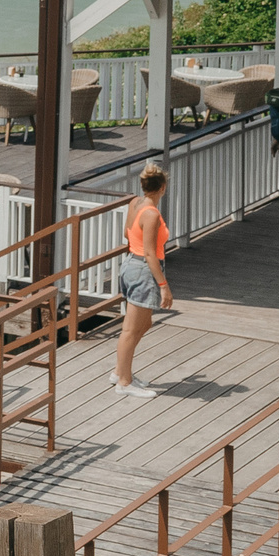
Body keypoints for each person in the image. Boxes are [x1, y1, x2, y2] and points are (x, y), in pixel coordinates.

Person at [114, 162, 173, 399]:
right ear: (163, 188)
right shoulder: (151, 215)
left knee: (144, 323)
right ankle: (124, 382)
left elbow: (127, 234)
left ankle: (121, 369)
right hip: (143, 268)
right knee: (130, 330)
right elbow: (150, 254)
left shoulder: (135, 203)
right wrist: (164, 286)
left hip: (130, 263)